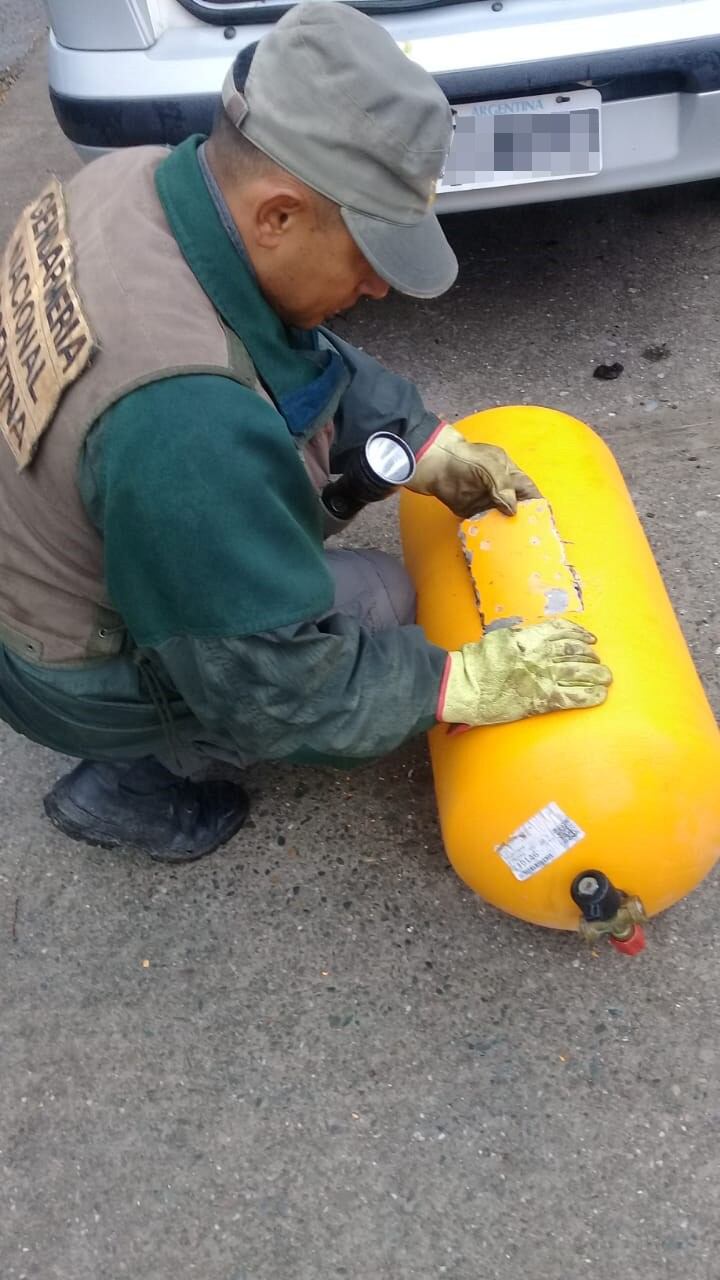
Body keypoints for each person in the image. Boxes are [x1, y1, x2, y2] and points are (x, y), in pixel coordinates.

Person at [0, 2, 611, 862]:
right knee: (390, 609)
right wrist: (460, 682)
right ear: (278, 216)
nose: (379, 287)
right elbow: (273, 685)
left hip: (38, 568)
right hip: (65, 661)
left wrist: (423, 442)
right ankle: (125, 778)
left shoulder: (141, 183)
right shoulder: (183, 423)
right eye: (368, 253)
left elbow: (284, 342)